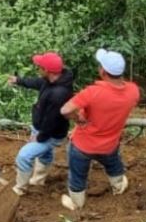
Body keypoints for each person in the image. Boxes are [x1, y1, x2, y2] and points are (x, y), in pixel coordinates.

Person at [60, 49, 140, 210]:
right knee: (113, 164)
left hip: (83, 145)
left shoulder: (92, 92)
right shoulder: (133, 91)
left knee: (77, 174)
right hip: (110, 143)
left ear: (103, 71)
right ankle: (118, 186)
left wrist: (78, 118)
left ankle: (77, 202)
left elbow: (65, 110)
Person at [7, 53, 74, 194]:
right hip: (43, 128)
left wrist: (40, 137)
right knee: (45, 154)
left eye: (39, 67)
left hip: (51, 134)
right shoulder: (51, 80)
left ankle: (19, 188)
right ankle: (38, 180)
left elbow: (52, 121)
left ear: (47, 70)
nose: (37, 68)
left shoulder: (59, 94)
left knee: (24, 156)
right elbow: (36, 83)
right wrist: (18, 80)